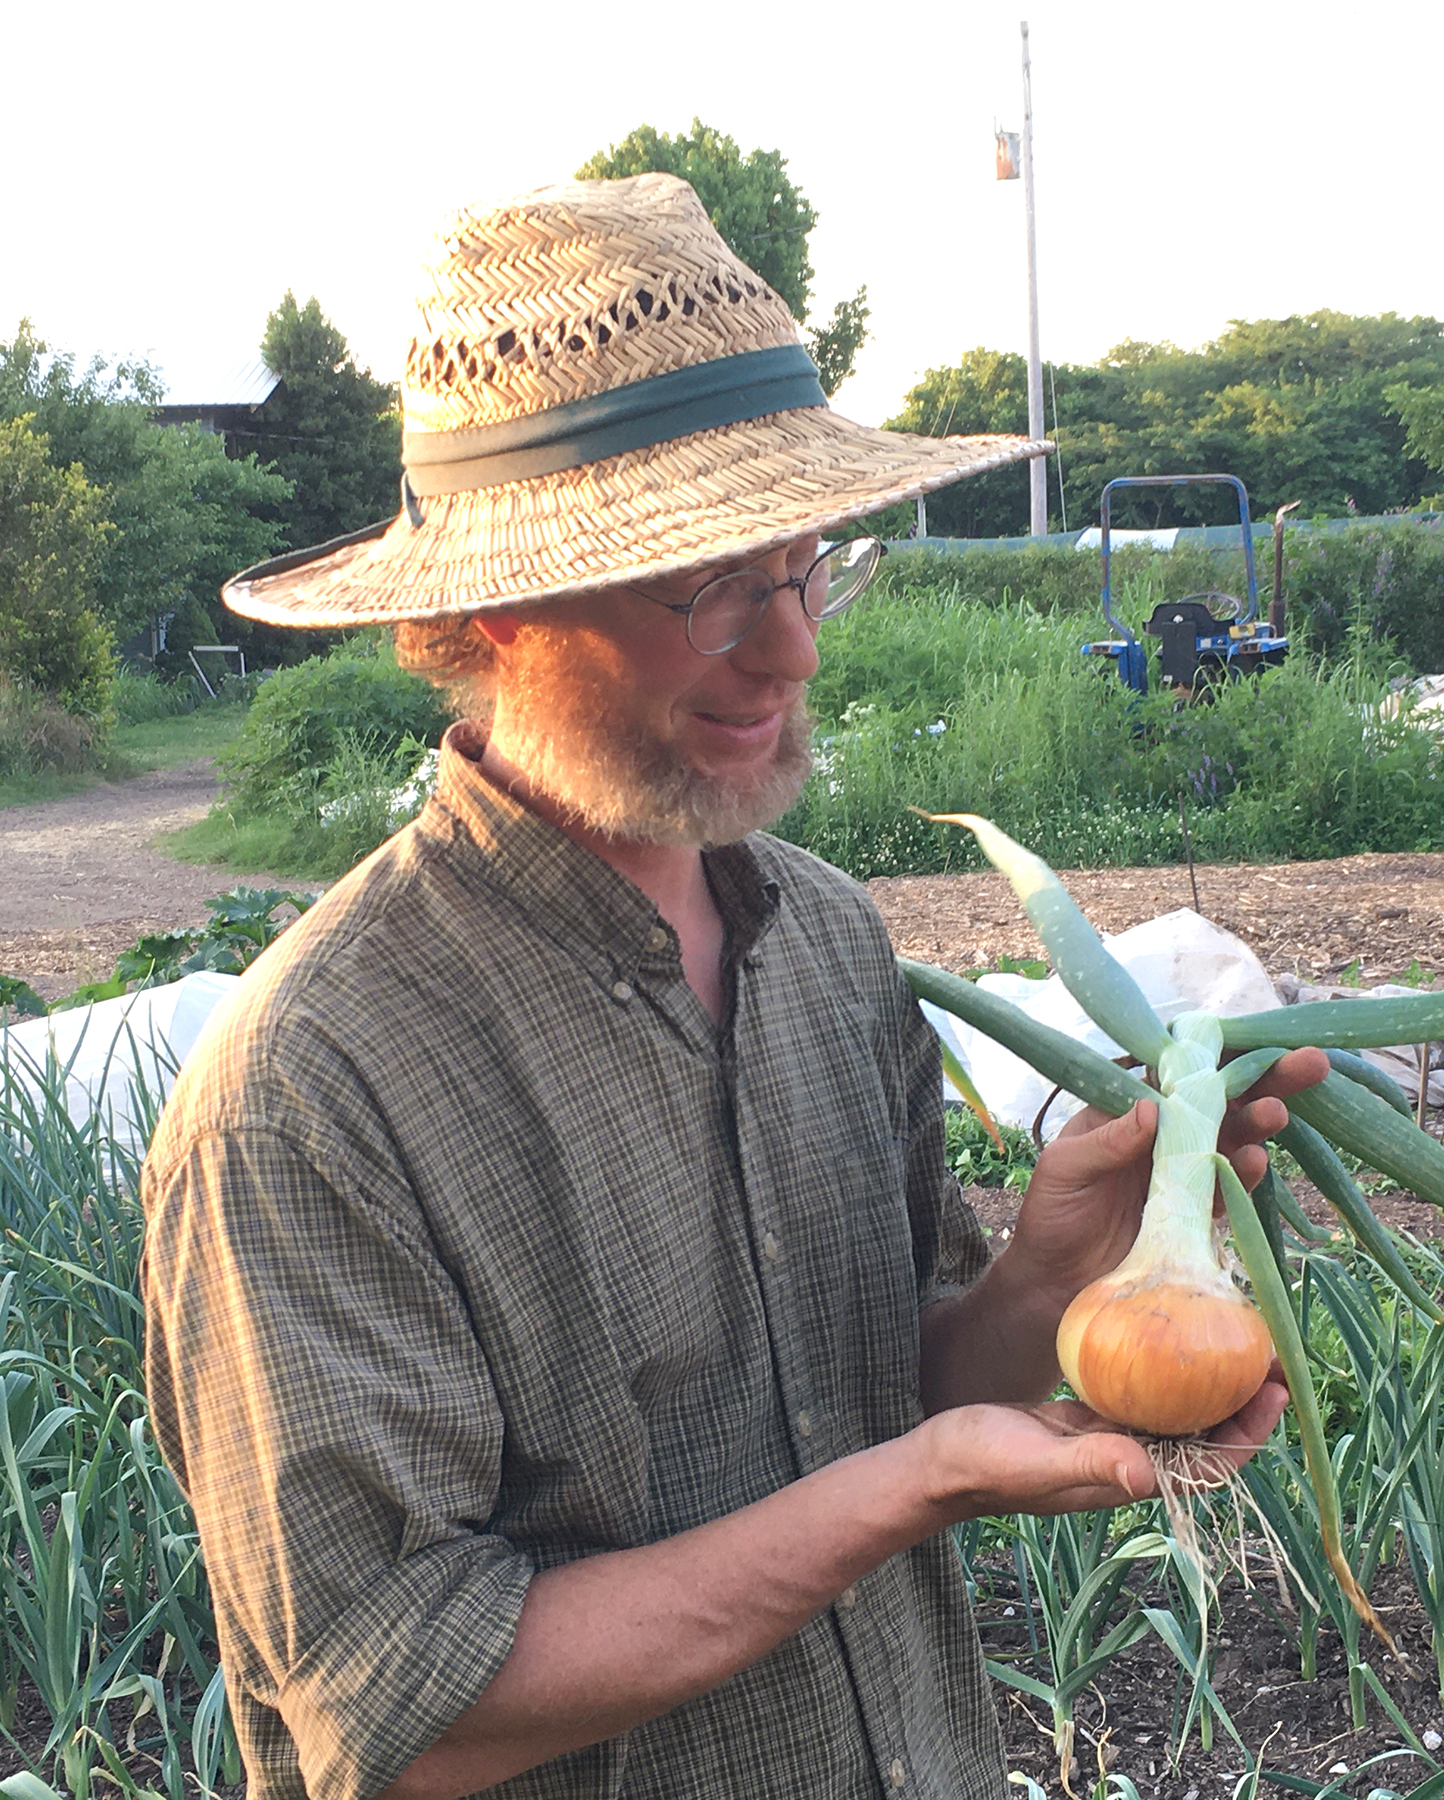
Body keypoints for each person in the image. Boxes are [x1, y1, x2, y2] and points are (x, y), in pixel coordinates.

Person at [141, 174, 1325, 1800]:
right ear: (498, 603)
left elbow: (878, 1397)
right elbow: (391, 1705)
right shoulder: (317, 1086)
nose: (793, 654)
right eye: (710, 589)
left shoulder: (830, 947)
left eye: (809, 567)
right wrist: (906, 1493)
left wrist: (1050, 1277)